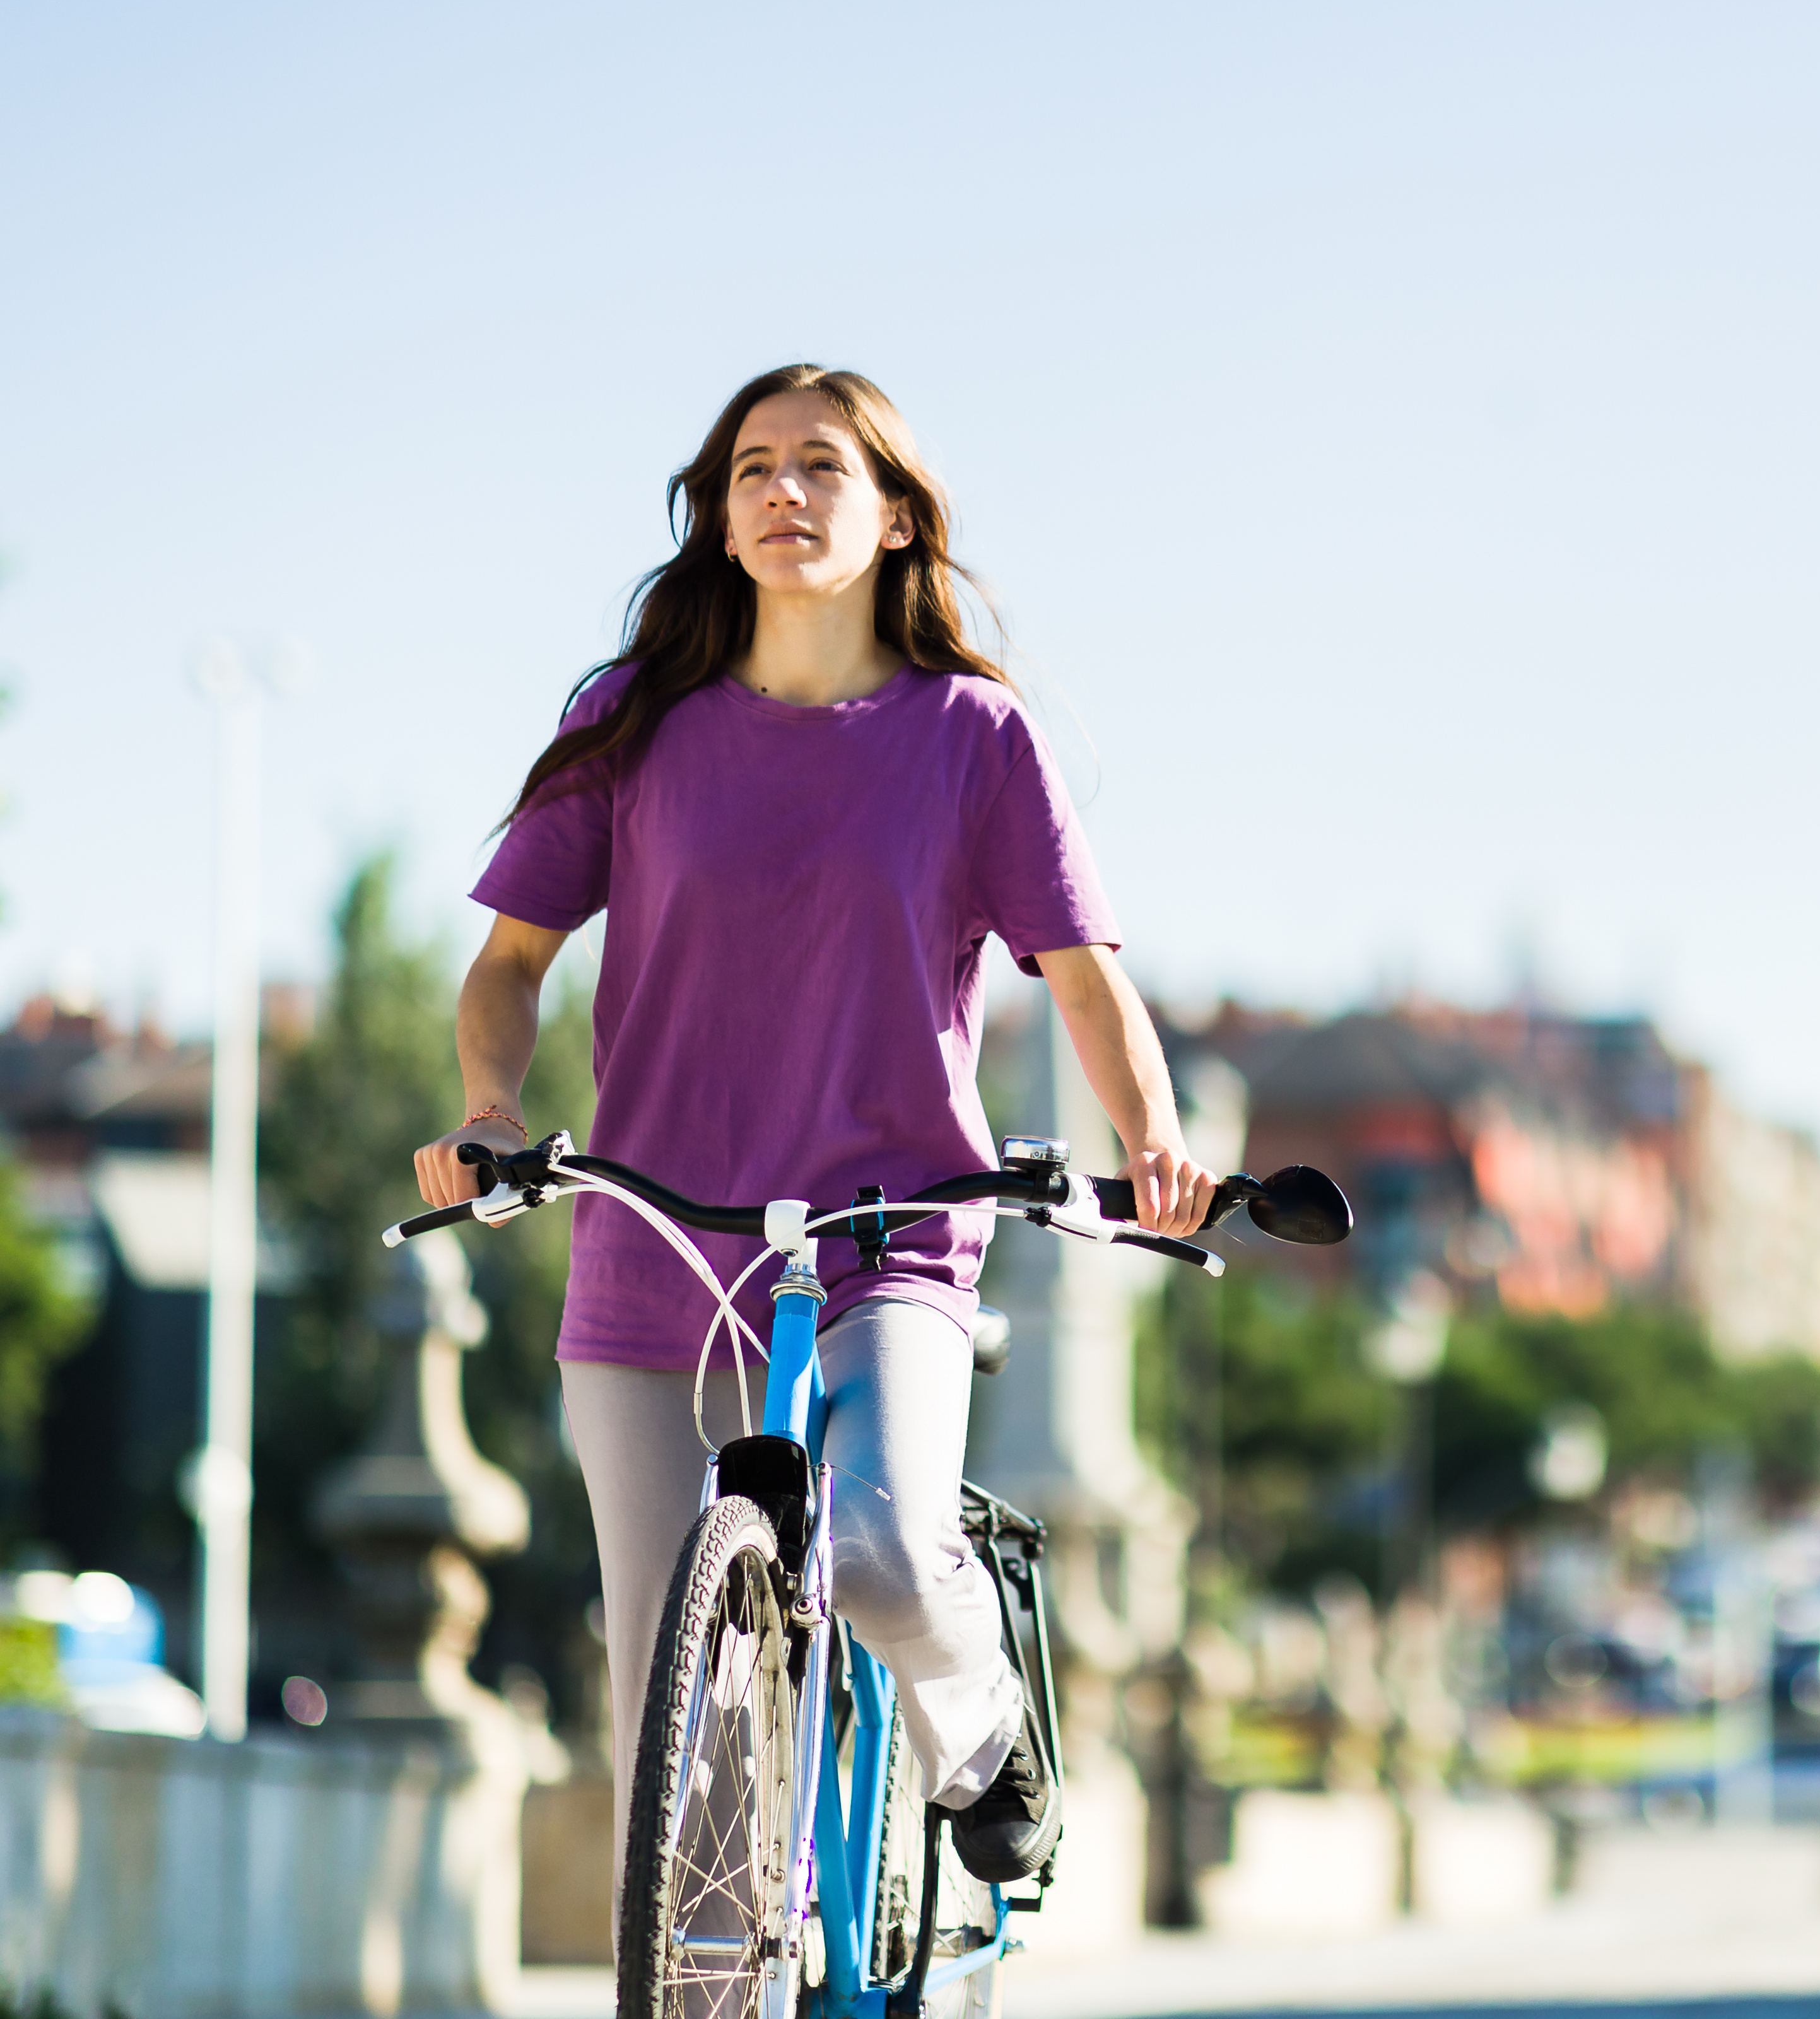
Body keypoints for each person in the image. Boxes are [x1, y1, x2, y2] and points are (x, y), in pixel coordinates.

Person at [409, 363, 1215, 1887]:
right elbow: (509, 966)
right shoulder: (630, 722)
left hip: (885, 1233)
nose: (783, 489)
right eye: (752, 469)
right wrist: (490, 1111)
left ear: (896, 516)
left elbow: (1084, 980)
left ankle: (983, 1731)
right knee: (669, 1725)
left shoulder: (972, 737)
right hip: (657, 1245)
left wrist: (1155, 1145)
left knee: (886, 1556)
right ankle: (714, 1968)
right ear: (719, 523)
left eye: (822, 465)